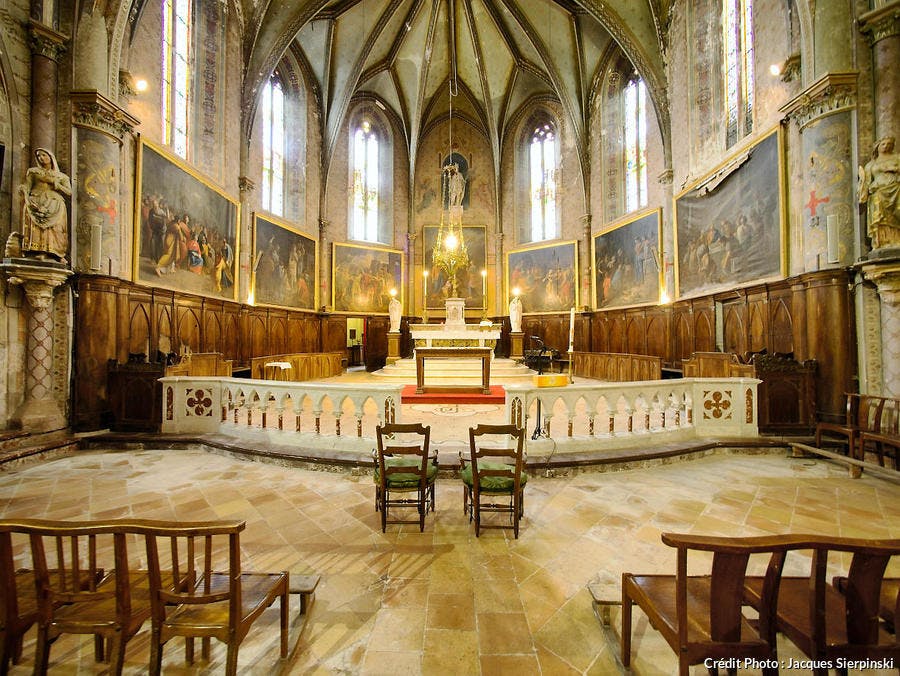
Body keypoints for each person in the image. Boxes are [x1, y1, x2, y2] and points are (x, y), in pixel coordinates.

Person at [19, 147, 71, 260]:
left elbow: (69, 192)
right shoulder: (33, 172)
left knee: (55, 229)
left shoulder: (61, 176)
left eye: (43, 155)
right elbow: (27, 187)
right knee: (36, 229)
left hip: (54, 204)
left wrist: (55, 183)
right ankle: (36, 250)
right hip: (36, 202)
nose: (41, 158)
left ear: (50, 157)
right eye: (38, 156)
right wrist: (27, 199)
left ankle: (54, 252)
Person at [858, 136, 900, 249]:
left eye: (889, 144)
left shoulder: (898, 158)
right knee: (879, 215)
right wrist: (862, 187)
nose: (886, 146)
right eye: (883, 144)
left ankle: (897, 239)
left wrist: (894, 169)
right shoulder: (871, 164)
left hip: (896, 190)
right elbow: (866, 182)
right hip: (878, 192)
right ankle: (882, 241)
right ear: (877, 147)